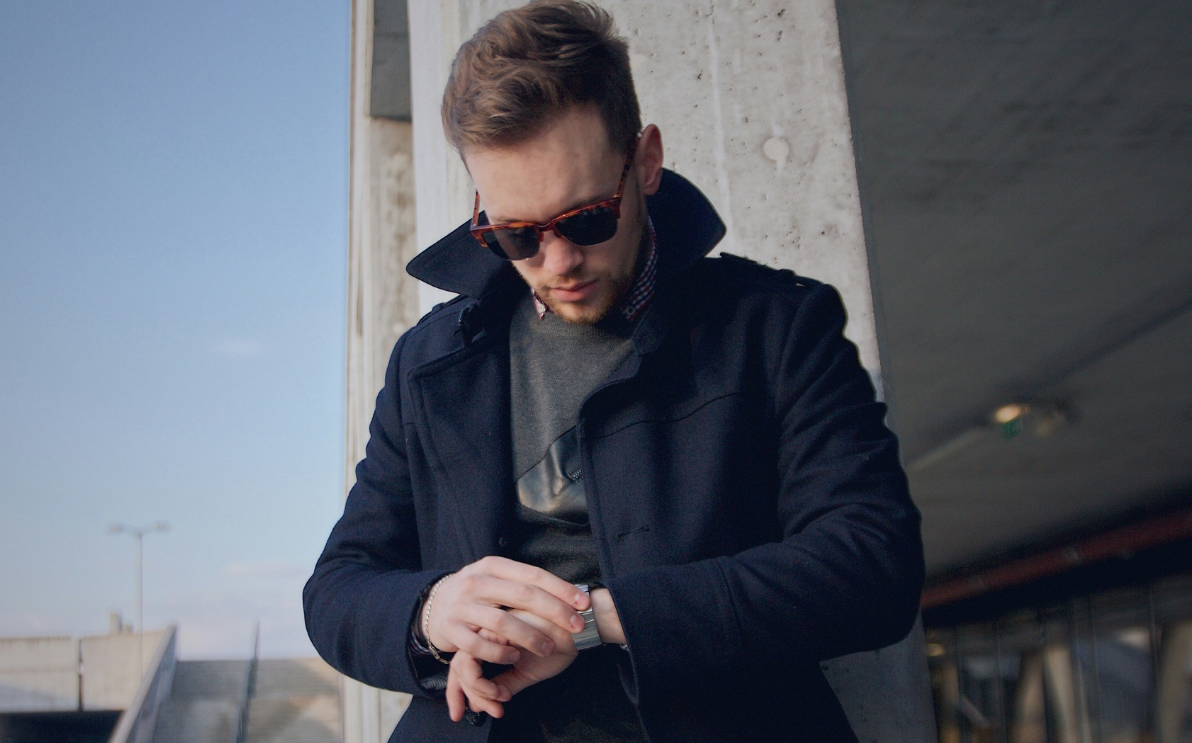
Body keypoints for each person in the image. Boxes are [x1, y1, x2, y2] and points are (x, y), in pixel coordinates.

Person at [303, 1, 924, 741]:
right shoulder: (428, 363)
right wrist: (431, 612)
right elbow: (339, 586)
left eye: (587, 218)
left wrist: (595, 619)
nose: (558, 262)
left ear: (646, 161)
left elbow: (871, 563)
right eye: (515, 234)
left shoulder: (775, 325)